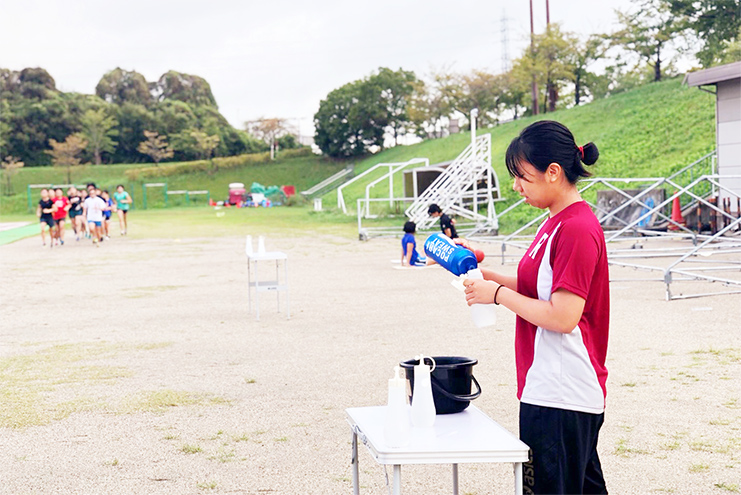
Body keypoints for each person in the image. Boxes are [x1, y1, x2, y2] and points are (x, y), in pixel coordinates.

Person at [461, 120, 609, 495]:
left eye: (522, 176)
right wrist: (484, 275)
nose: (515, 186)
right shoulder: (555, 222)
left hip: (560, 392)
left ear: (553, 173)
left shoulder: (575, 228)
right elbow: (537, 286)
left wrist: (496, 295)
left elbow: (562, 316)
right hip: (551, 388)